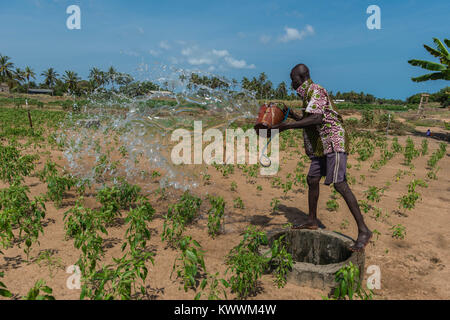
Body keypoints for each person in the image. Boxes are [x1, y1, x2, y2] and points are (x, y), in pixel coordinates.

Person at [272, 64, 372, 252]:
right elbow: (309, 118)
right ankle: (311, 220)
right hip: (321, 145)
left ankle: (364, 230)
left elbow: (316, 119)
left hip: (333, 141)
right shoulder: (307, 95)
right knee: (312, 179)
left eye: (293, 80)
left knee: (340, 184)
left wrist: (286, 126)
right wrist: (292, 114)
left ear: (301, 78)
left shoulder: (315, 90)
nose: (292, 84)